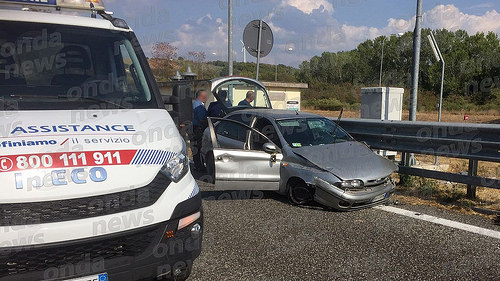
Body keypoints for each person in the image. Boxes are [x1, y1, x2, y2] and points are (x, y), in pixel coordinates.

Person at [191, 90, 208, 171]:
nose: (206, 98)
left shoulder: (193, 104)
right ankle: (200, 166)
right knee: (199, 147)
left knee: (194, 147)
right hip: (198, 129)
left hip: (193, 128)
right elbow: (202, 119)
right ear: (201, 97)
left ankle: (196, 165)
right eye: (205, 96)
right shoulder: (200, 106)